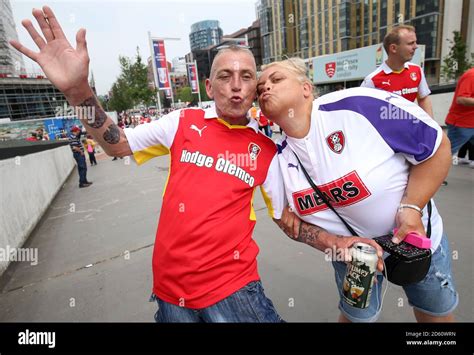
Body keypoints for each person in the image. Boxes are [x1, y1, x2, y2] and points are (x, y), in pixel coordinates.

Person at [11, 6, 286, 322]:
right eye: (225, 76)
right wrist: (78, 92)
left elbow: (288, 217)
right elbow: (117, 144)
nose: (236, 85)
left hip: (234, 292)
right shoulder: (181, 122)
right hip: (171, 293)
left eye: (246, 76)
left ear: (255, 88)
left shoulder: (267, 149)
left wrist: (341, 243)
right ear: (209, 87)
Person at [257, 58, 458, 323]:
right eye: (259, 88)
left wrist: (412, 207)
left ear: (306, 88)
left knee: (436, 316)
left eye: (276, 79)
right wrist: (334, 244)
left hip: (413, 241)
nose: (265, 89)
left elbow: (436, 147)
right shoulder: (275, 160)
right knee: (356, 320)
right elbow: (285, 221)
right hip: (354, 258)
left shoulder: (360, 106)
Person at [361, 25, 433, 118]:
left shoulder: (416, 70)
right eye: (411, 43)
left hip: (410, 129)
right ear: (393, 48)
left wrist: (432, 127)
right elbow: (362, 110)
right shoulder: (372, 80)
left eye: (415, 42)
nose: (416, 47)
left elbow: (423, 99)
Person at [445, 67, 474, 168]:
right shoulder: (471, 75)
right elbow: (461, 99)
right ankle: (428, 180)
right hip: (462, 124)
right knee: (444, 154)